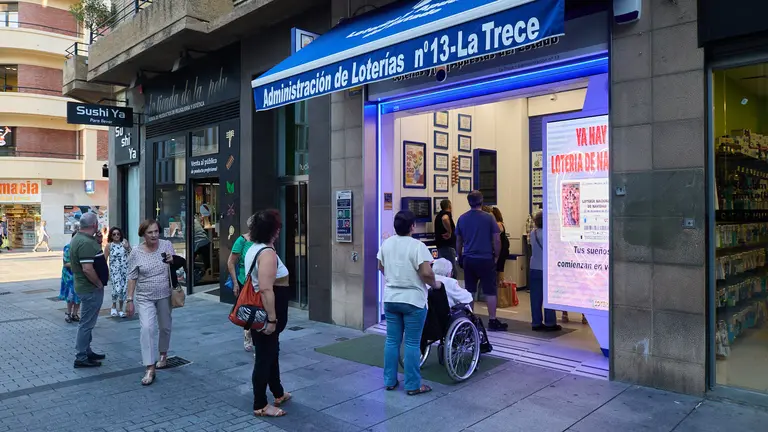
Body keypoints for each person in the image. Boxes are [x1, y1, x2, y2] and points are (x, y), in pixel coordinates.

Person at [378, 210, 438, 396]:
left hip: (391, 299)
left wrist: (394, 278)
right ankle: (412, 385)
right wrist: (435, 284)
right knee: (412, 343)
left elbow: (380, 266)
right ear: (412, 226)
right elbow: (427, 273)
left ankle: (389, 381)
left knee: (392, 341)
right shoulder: (417, 246)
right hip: (413, 301)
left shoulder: (386, 244)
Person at [244, 210, 292, 417]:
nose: (280, 229)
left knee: (271, 353)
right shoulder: (266, 253)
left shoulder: (257, 248)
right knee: (264, 357)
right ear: (273, 230)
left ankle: (278, 392)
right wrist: (272, 319)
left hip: (263, 312)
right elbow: (265, 288)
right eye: (277, 226)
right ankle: (260, 404)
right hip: (266, 313)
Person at [126, 219, 177, 386]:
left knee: (165, 326)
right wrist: (129, 300)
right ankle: (150, 367)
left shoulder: (166, 245)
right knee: (147, 328)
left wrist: (173, 261)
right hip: (145, 296)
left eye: (156, 231)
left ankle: (163, 354)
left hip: (164, 293)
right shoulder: (136, 252)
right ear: (143, 234)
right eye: (150, 232)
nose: (154, 235)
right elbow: (132, 276)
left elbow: (177, 266)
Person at [455, 191, 508, 331]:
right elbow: (497, 239)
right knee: (490, 291)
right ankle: (492, 320)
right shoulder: (489, 218)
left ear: (468, 202)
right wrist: (496, 256)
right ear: (482, 201)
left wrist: (459, 256)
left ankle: (470, 320)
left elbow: (459, 241)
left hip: (469, 259)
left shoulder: (462, 218)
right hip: (485, 259)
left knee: (470, 290)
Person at [70, 212, 109, 368]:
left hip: (84, 287)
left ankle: (87, 351)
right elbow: (87, 268)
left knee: (88, 322)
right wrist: (99, 283)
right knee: (86, 324)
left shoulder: (81, 239)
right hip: (90, 288)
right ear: (94, 225)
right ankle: (81, 356)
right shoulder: (85, 242)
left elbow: (93, 256)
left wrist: (97, 242)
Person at [529, 211, 562, 332]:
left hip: (534, 267)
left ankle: (536, 322)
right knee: (549, 296)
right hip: (548, 268)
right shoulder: (550, 234)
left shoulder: (533, 233)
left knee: (535, 297)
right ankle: (550, 322)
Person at [228, 216, 255, 352]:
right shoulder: (242, 240)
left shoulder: (264, 241)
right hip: (244, 281)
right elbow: (231, 262)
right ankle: (247, 336)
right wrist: (235, 283)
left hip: (260, 281)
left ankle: (257, 337)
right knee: (248, 311)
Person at [105, 227, 131, 318]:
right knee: (117, 288)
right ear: (111, 236)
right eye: (114, 234)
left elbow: (131, 255)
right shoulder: (109, 245)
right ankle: (113, 306)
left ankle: (120, 309)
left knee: (124, 290)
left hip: (125, 270)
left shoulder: (124, 242)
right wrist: (105, 272)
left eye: (118, 234)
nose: (116, 236)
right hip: (114, 271)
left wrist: (127, 248)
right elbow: (105, 259)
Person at [59, 231, 81, 323]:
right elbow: (66, 263)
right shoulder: (68, 248)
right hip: (70, 275)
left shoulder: (82, 248)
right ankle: (68, 313)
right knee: (70, 295)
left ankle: (75, 314)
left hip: (79, 275)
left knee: (79, 295)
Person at [433, 200, 457, 277]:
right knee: (451, 270)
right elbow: (445, 218)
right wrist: (449, 232)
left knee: (443, 271)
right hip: (448, 247)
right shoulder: (446, 214)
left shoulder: (438, 216)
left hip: (440, 246)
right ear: (450, 206)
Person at [491, 208, 510, 285]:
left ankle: (500, 288)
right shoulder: (501, 224)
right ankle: (500, 285)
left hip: (501, 250)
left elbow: (495, 237)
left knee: (499, 269)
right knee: (500, 269)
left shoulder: (498, 224)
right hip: (503, 249)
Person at [193, 215, 211, 282]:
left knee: (190, 259)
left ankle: (197, 273)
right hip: (205, 241)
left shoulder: (188, 223)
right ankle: (206, 272)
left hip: (199, 243)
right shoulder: (196, 220)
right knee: (206, 259)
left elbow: (186, 236)